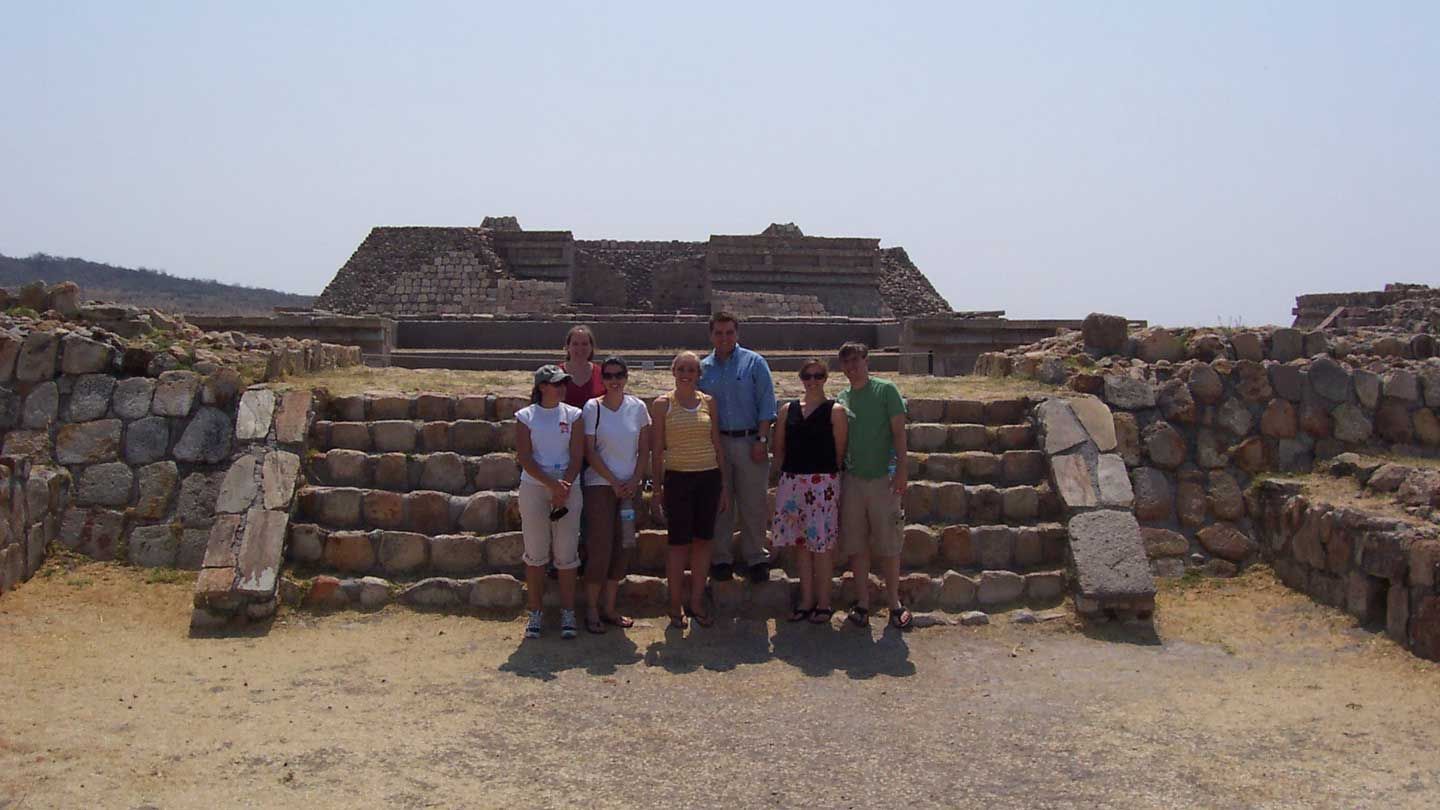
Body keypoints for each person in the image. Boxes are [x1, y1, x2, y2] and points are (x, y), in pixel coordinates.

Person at [835, 341, 912, 630]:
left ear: (867, 361)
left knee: (889, 544)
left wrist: (903, 468)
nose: (852, 367)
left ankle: (894, 603)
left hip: (883, 479)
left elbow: (899, 433)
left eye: (856, 360)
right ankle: (863, 602)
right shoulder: (843, 398)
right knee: (856, 545)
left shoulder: (886, 390)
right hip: (854, 480)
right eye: (847, 362)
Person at [650, 351, 728, 629]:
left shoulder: (709, 402)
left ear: (698, 374)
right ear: (673, 371)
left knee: (703, 541)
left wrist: (725, 487)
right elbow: (657, 450)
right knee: (678, 544)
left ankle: (695, 600)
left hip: (708, 477)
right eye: (681, 368)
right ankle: (674, 603)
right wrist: (656, 490)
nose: (686, 374)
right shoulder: (662, 405)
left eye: (692, 370)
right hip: (678, 479)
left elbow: (716, 443)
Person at [698, 311, 777, 584]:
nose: (724, 337)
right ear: (711, 335)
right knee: (721, 502)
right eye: (718, 333)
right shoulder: (703, 368)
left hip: (749, 441)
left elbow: (767, 403)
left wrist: (762, 439)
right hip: (716, 443)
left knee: (753, 502)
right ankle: (721, 558)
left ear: (737, 333)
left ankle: (756, 556)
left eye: (729, 332)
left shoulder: (754, 363)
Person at [770, 358, 847, 624]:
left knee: (822, 547)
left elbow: (839, 452)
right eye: (807, 376)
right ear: (801, 379)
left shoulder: (835, 411)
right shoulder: (787, 410)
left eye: (817, 376)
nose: (812, 381)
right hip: (792, 482)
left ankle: (824, 603)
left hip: (822, 484)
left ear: (826, 378)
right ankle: (806, 600)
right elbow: (778, 448)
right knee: (800, 545)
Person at [580, 356, 652, 634]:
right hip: (600, 485)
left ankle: (609, 607)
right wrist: (613, 481)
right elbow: (590, 450)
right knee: (599, 548)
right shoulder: (592, 408)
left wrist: (634, 480)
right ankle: (591, 609)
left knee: (623, 547)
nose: (614, 380)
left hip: (629, 488)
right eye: (608, 375)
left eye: (618, 375)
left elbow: (644, 448)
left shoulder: (637, 407)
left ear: (626, 377)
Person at [515, 364, 586, 639]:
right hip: (535, 486)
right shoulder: (526, 416)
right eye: (555, 384)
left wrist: (564, 485)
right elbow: (525, 457)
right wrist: (551, 484)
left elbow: (577, 454)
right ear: (542, 387)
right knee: (535, 553)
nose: (561, 388)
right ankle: (536, 612)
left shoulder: (574, 415)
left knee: (567, 553)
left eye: (562, 384)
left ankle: (568, 612)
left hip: (568, 486)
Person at [562, 325, 605, 408]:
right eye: (575, 344)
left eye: (584, 344)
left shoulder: (602, 374)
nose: (580, 348)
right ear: (567, 347)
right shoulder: (556, 374)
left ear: (591, 347)